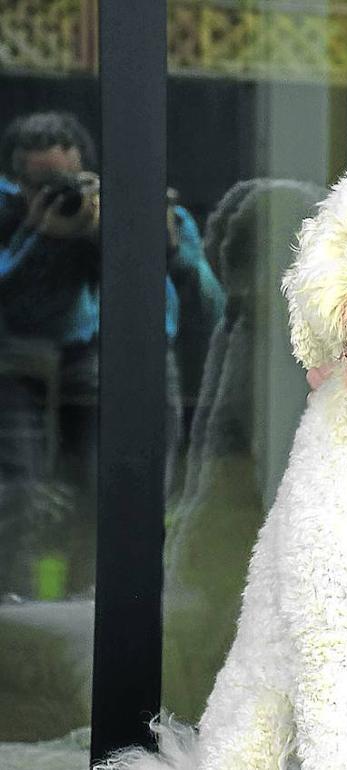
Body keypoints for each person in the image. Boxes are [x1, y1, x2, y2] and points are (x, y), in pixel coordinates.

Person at [0, 111, 224, 594]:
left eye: (69, 182)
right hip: (32, 371)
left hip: (131, 365)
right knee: (27, 499)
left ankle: (109, 602)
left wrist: (166, 249)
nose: (60, 195)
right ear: (15, 183)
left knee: (127, 500)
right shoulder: (14, 219)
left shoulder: (136, 209)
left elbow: (210, 307)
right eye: (40, 184)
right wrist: (41, 236)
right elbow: (12, 302)